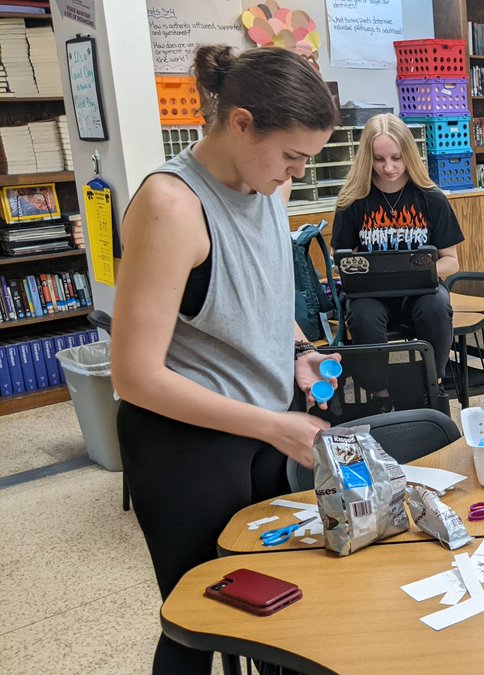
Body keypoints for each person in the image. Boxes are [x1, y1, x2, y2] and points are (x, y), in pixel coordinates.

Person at [111, 46, 339, 674]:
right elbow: (135, 376)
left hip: (266, 427)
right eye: (291, 156)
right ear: (241, 123)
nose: (296, 174)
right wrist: (272, 424)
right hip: (187, 445)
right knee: (200, 623)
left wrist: (299, 350)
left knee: (282, 609)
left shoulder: (265, 185)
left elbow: (262, 296)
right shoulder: (171, 205)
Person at [331, 113, 463, 409]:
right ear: (367, 158)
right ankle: (380, 396)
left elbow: (451, 261)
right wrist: (353, 269)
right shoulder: (352, 200)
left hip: (420, 292)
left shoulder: (431, 198)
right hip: (371, 295)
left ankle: (433, 384)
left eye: (396, 158)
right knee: (363, 317)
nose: (388, 167)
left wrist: (413, 271)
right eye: (379, 159)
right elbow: (340, 261)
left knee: (436, 307)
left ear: (409, 155)